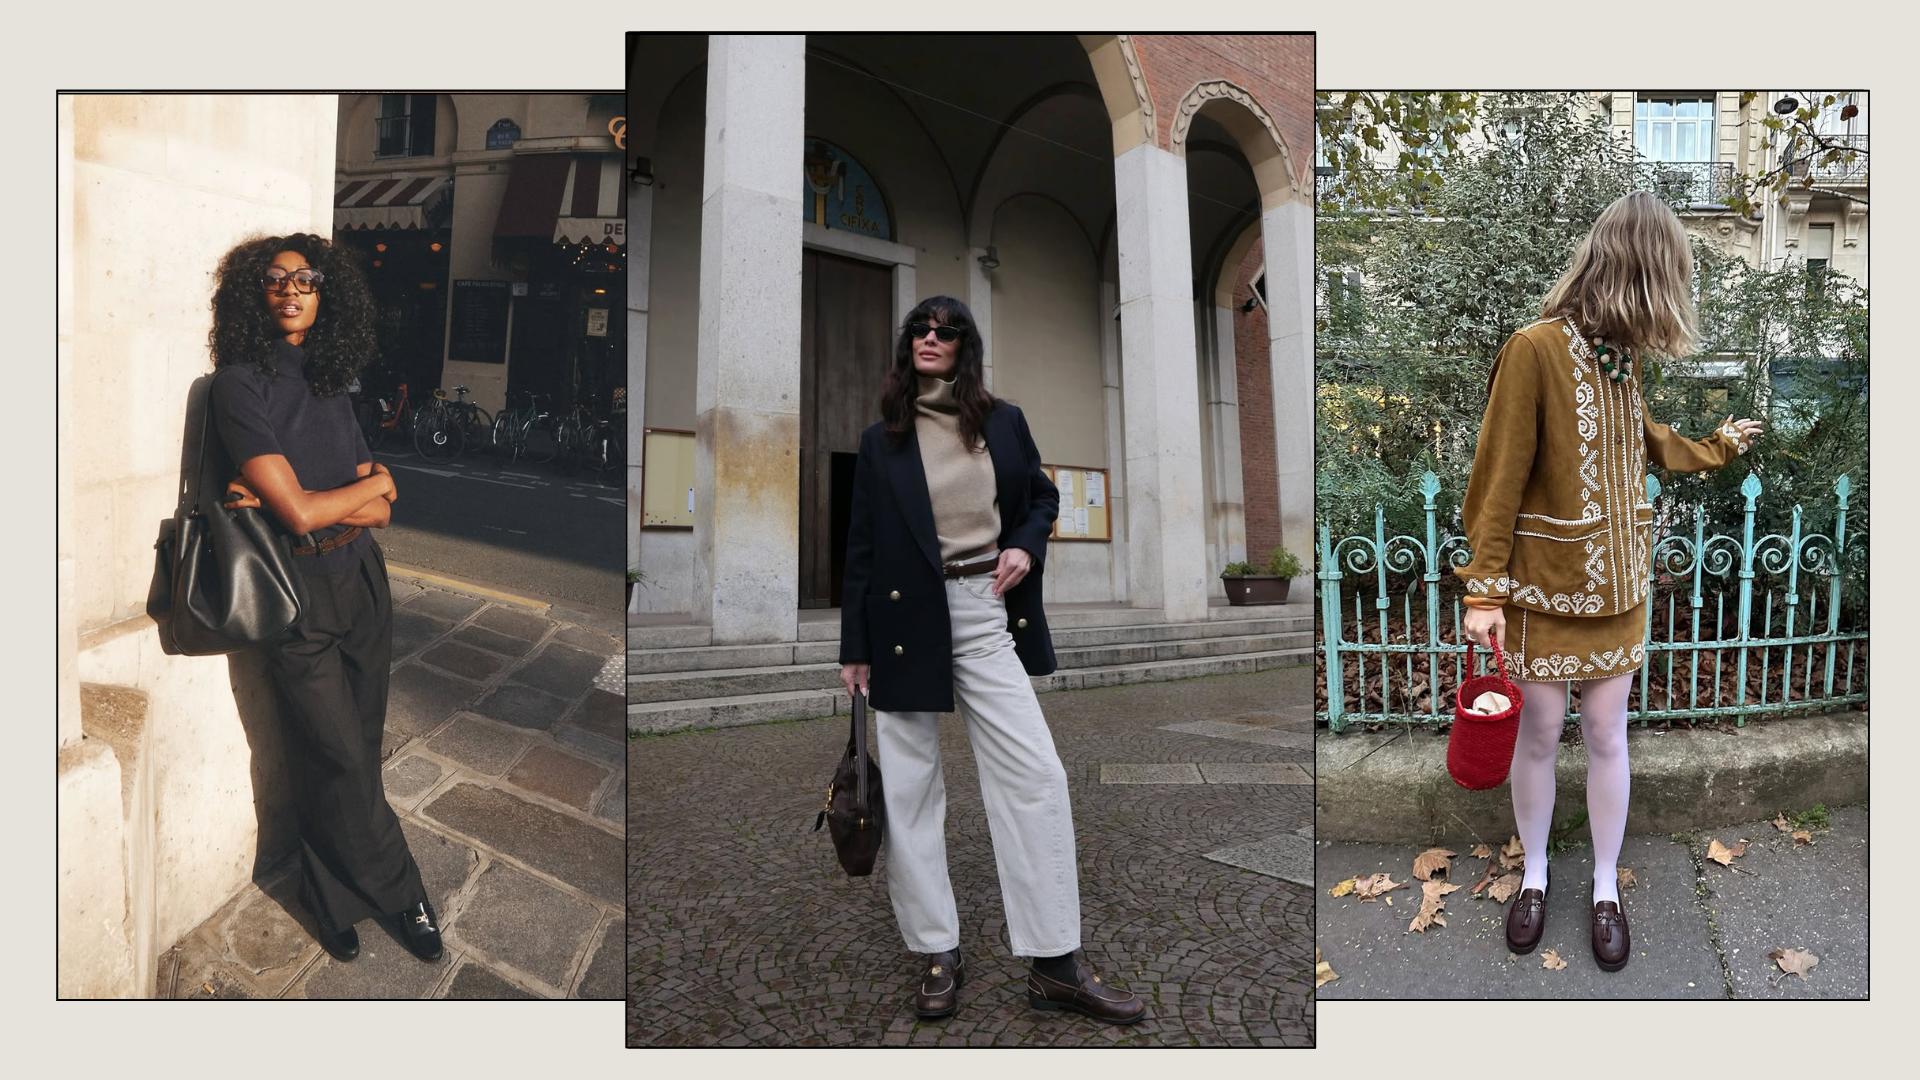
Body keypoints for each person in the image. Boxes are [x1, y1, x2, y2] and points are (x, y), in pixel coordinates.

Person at [1454, 192, 1762, 972]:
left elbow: (1644, 440)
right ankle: (1534, 875)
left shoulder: (1622, 359)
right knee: (1535, 735)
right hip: (1544, 591)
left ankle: (1601, 887)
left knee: (1604, 737)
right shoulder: (1533, 349)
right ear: (1639, 272)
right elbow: (1496, 477)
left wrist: (1717, 447)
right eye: (1669, 280)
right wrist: (1484, 589)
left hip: (1622, 591)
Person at [838, 297, 1146, 1025]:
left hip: (982, 609)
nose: (930, 339)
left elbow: (1040, 497)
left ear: (964, 346)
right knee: (911, 791)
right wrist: (855, 647)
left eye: (945, 332)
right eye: (919, 329)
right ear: (907, 342)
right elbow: (859, 549)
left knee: (1037, 774)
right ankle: (937, 950)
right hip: (901, 620)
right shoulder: (881, 440)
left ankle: (1055, 963)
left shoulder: (1001, 421)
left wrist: (1024, 545)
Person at [208, 234, 442, 965]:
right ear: (255, 293)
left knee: (352, 745)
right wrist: (367, 487)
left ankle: (326, 893)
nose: (291, 290)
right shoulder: (238, 384)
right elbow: (309, 513)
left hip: (363, 581)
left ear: (324, 292)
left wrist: (350, 496)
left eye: (306, 279)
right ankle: (405, 895)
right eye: (275, 280)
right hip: (294, 589)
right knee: (335, 750)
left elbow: (379, 514)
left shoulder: (333, 378)